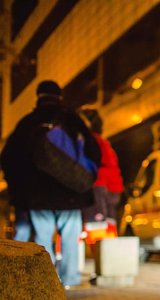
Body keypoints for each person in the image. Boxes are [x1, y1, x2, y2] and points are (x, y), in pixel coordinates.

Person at [0, 80, 100, 287]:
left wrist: (20, 189)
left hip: (39, 195)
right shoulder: (73, 121)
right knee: (70, 239)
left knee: (43, 239)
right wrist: (85, 178)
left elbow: (8, 158)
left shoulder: (27, 123)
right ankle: (69, 281)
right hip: (70, 192)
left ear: (38, 96)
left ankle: (45, 281)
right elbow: (93, 151)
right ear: (59, 96)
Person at [78, 108, 124, 244]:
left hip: (98, 188)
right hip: (112, 189)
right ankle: (108, 258)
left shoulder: (90, 142)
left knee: (96, 227)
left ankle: (100, 255)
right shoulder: (104, 143)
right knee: (108, 226)